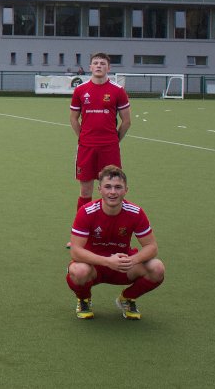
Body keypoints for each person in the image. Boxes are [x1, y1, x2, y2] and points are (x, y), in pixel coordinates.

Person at [66, 166, 164, 320]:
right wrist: (107, 261)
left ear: (126, 190)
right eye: (108, 187)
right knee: (78, 271)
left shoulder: (136, 212)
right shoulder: (86, 212)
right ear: (99, 189)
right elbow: (75, 251)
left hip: (123, 265)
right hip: (94, 266)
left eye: (118, 187)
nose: (113, 192)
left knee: (157, 268)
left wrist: (132, 260)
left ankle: (127, 299)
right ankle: (84, 299)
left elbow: (152, 247)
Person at [69, 53, 131, 211]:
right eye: (95, 63)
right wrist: (83, 137)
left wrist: (115, 139)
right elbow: (73, 119)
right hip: (86, 147)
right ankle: (82, 228)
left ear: (108, 68)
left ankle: (112, 223)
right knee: (85, 191)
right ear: (90, 67)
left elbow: (126, 121)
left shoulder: (118, 91)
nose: (98, 66)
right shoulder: (80, 90)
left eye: (102, 63)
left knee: (112, 190)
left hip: (109, 147)